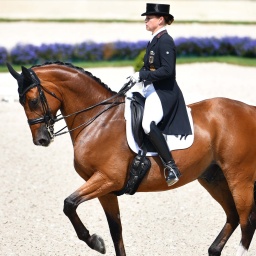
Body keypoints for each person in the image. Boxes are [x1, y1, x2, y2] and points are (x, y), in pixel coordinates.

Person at [130, 3, 192, 186]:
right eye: (146, 18)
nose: (146, 21)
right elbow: (148, 66)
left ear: (160, 19)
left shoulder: (165, 40)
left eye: (149, 18)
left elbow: (167, 71)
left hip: (164, 91)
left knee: (148, 124)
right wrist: (136, 78)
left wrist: (143, 75)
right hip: (151, 87)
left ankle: (171, 166)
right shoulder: (154, 40)